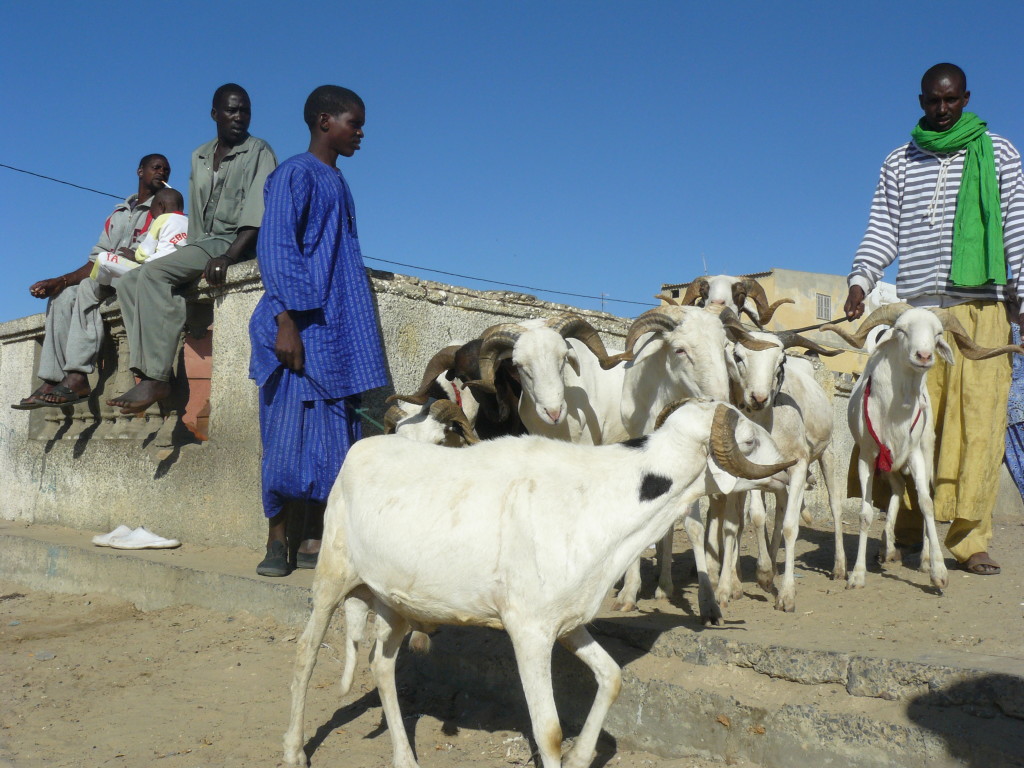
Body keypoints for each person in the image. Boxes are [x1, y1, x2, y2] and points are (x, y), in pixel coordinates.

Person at [844, 63, 1024, 576]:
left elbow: (1019, 228)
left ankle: (971, 540)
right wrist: (860, 280)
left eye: (950, 101)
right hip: (918, 314)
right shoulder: (900, 161)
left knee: (980, 425)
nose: (941, 110)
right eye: (931, 102)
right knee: (901, 420)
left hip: (983, 308)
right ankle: (901, 532)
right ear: (920, 100)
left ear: (966, 97)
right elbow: (881, 227)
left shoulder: (1001, 154)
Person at [248, 85, 388, 577]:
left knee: (333, 442)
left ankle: (313, 539)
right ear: (325, 121)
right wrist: (287, 320)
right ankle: (276, 541)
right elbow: (278, 246)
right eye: (355, 123)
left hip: (336, 331)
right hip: (299, 329)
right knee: (286, 440)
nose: (361, 133)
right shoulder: (294, 173)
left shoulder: (339, 182)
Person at [106, 84, 277, 414]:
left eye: (245, 110)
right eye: (231, 110)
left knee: (153, 275)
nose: (239, 117)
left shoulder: (259, 151)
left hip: (234, 245)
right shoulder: (199, 155)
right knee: (128, 281)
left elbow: (259, 212)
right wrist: (187, 254)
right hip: (201, 243)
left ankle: (157, 377)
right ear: (215, 114)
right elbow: (197, 214)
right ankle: (146, 373)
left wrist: (228, 256)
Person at [12, 154, 170, 409]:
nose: (162, 172)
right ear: (140, 171)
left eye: (166, 169)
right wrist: (60, 281)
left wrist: (139, 256)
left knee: (86, 287)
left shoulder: (165, 206)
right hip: (108, 276)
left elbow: (171, 245)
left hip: (139, 278)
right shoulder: (119, 213)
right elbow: (96, 261)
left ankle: (77, 375)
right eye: (156, 167)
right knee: (62, 296)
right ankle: (53, 379)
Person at [91, 187, 187, 285]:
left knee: (103, 258)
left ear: (161, 206)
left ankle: (104, 287)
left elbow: (144, 254)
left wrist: (133, 256)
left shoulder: (161, 220)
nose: (153, 217)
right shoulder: (189, 223)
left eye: (152, 212)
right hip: (182, 272)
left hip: (156, 271)